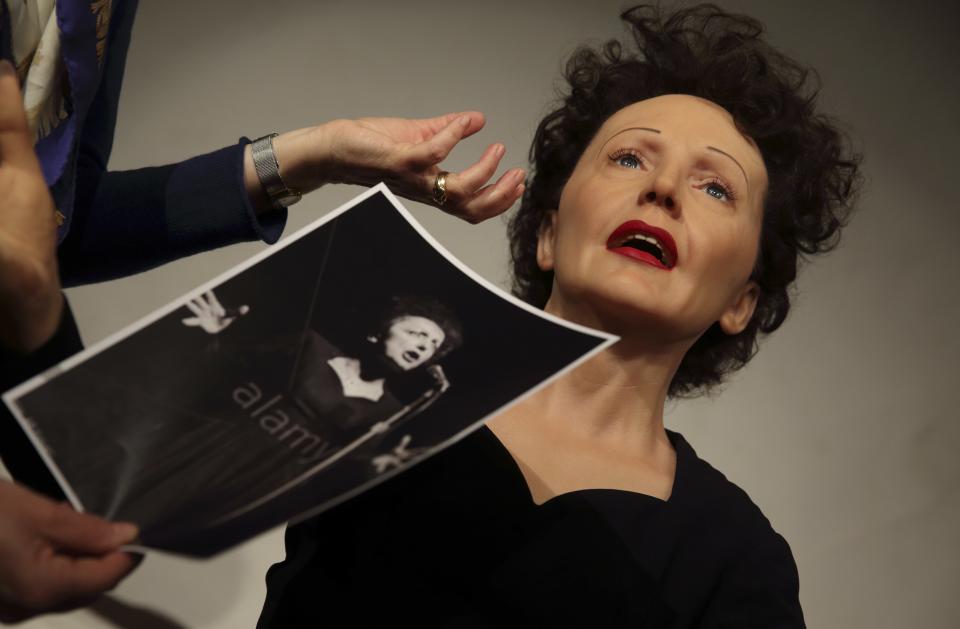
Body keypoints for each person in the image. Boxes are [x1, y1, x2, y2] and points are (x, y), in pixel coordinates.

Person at [257, 4, 862, 627]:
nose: (663, 189)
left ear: (741, 303)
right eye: (630, 158)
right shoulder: (386, 414)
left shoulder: (735, 559)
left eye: (716, 188)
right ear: (548, 233)